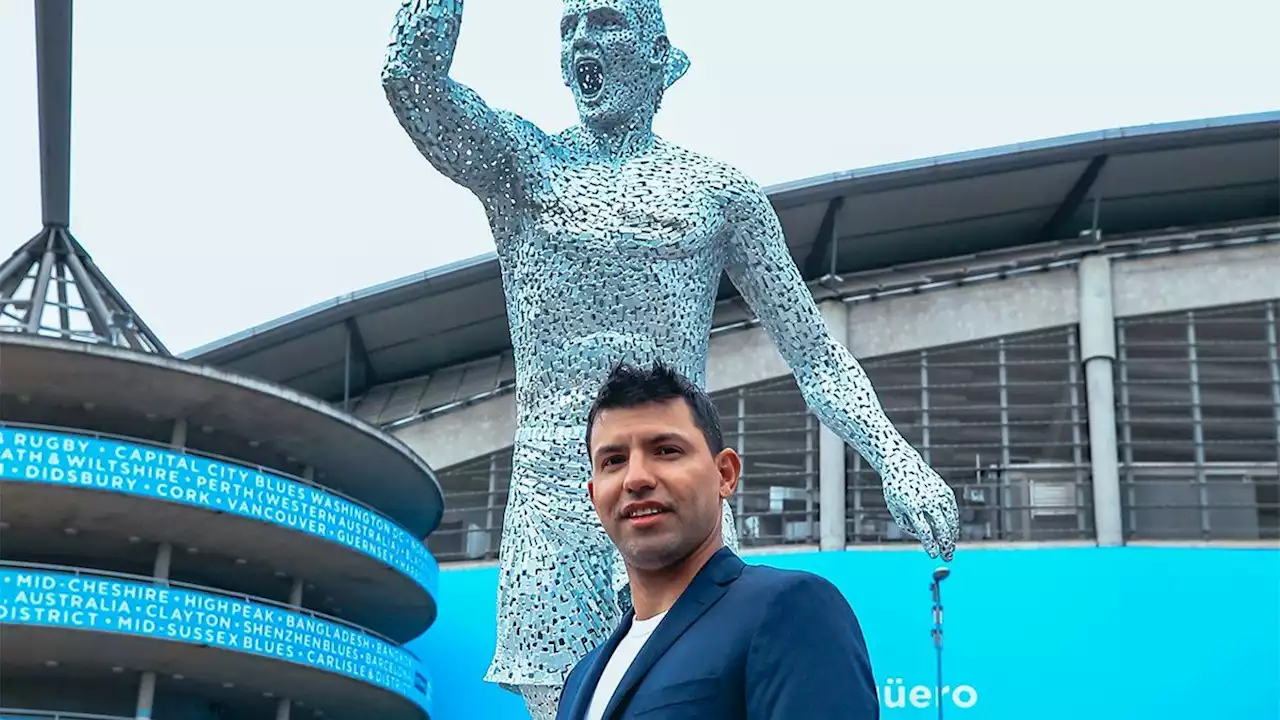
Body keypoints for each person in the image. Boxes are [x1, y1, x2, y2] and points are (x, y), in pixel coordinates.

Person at [381, 1, 957, 715]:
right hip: (555, 502)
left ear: (661, 58)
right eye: (569, 29)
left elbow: (814, 355)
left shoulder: (718, 194)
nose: (582, 42)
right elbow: (411, 78)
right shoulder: (522, 167)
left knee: (707, 683)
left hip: (680, 492)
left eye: (606, 22)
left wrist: (897, 459)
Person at [556, 362, 880, 719]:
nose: (636, 479)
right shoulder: (580, 680)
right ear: (593, 495)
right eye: (614, 461)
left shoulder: (788, 609)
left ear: (724, 474)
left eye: (666, 451)